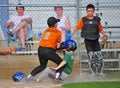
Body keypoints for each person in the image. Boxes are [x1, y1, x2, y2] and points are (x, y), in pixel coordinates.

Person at [72, 4, 107, 76]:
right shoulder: (83, 20)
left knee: (99, 57)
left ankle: (99, 72)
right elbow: (76, 27)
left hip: (95, 40)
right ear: (86, 11)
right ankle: (94, 72)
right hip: (88, 40)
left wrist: (104, 34)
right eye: (88, 11)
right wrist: (71, 36)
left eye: (91, 11)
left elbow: (100, 29)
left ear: (94, 11)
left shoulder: (97, 19)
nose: (90, 12)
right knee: (92, 57)